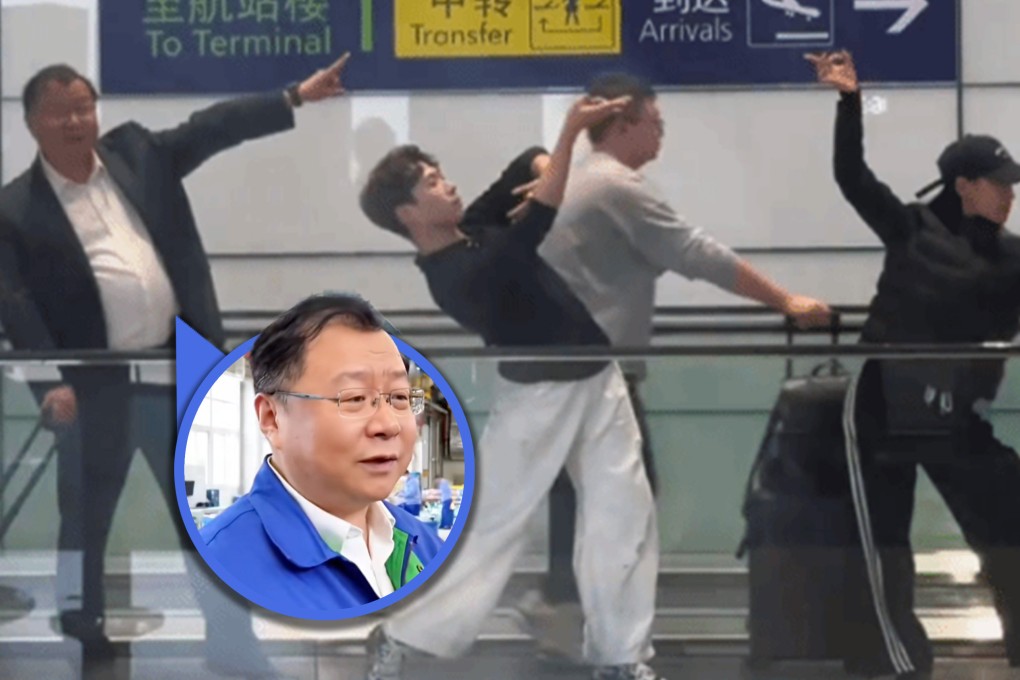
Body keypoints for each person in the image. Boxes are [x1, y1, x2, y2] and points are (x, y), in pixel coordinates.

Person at [0, 56, 348, 674]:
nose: (77, 121)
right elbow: (17, 307)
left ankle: (232, 643)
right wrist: (50, 381)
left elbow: (210, 128)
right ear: (32, 123)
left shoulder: (136, 154)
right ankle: (85, 641)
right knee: (84, 518)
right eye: (61, 113)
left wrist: (292, 96)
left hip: (175, 375)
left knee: (212, 516)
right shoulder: (15, 210)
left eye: (84, 106)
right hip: (91, 388)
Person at [360, 96, 667, 680]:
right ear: (407, 213)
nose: (447, 187)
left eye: (443, 175)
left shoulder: (475, 230)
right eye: (431, 183)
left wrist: (540, 167)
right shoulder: (457, 276)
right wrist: (574, 131)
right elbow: (538, 221)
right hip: (539, 396)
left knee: (624, 516)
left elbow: (527, 162)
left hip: (598, 378)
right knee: (496, 524)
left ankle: (622, 657)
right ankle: (403, 635)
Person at [530, 71, 833, 654]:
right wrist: (785, 301)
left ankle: (570, 614)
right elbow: (697, 253)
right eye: (655, 124)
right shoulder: (615, 185)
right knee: (624, 501)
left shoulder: (581, 180)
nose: (661, 136)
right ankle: (594, 628)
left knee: (592, 499)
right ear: (622, 124)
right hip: (596, 376)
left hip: (578, 371)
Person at [808, 49, 1020, 678]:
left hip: (953, 416)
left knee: (1010, 523)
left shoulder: (1011, 258)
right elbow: (852, 176)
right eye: (999, 182)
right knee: (884, 547)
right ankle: (895, 668)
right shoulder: (911, 227)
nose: (1010, 193)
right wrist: (849, 102)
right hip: (880, 408)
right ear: (964, 186)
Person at [200, 294, 444, 614]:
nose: (388, 425)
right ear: (272, 418)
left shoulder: (425, 545)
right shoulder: (218, 570)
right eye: (355, 398)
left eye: (399, 397)